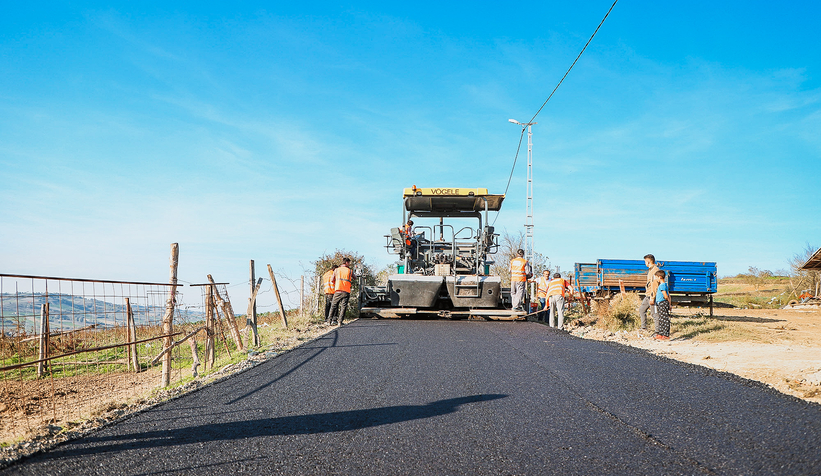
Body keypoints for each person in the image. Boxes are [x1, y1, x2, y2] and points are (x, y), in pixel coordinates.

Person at [637, 254, 660, 331]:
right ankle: (643, 328)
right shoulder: (650, 270)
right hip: (648, 295)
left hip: (652, 295)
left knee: (655, 314)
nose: (645, 263)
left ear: (648, 261)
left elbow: (655, 285)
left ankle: (658, 331)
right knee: (642, 310)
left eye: (645, 261)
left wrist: (653, 298)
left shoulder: (655, 271)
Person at [329, 258, 353, 326]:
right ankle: (340, 322)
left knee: (333, 305)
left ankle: (329, 321)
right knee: (343, 306)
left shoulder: (336, 270)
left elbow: (332, 279)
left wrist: (337, 284)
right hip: (346, 291)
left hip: (338, 290)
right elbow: (355, 277)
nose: (350, 264)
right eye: (349, 263)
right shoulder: (350, 271)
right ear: (347, 262)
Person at [654, 270, 672, 340]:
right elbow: (669, 295)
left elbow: (666, 295)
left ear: (660, 277)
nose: (655, 279)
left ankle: (665, 335)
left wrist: (668, 302)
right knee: (661, 319)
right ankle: (661, 334)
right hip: (661, 303)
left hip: (663, 303)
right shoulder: (664, 285)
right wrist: (670, 304)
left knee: (664, 319)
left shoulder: (662, 285)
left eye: (656, 277)